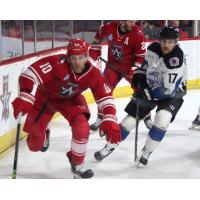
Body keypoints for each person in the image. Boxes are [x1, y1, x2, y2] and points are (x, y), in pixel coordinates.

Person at [12, 38, 121, 178]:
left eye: (81, 57)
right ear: (68, 57)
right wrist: (25, 94)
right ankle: (45, 131)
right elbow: (29, 73)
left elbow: (105, 97)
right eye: (73, 58)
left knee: (82, 127)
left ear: (87, 56)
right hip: (45, 99)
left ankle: (77, 164)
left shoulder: (94, 73)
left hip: (71, 100)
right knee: (34, 146)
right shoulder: (56, 63)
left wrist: (110, 116)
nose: (77, 62)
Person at [94, 26, 187, 166]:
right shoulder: (154, 48)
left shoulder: (176, 60)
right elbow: (143, 67)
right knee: (129, 121)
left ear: (176, 42)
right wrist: (138, 77)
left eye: (170, 42)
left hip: (172, 93)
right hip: (151, 87)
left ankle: (147, 151)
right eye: (164, 41)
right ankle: (109, 146)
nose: (166, 45)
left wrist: (146, 92)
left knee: (162, 119)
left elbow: (168, 90)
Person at [89, 20, 153, 132]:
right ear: (122, 21)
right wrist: (94, 53)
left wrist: (135, 71)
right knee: (103, 91)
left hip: (130, 68)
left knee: (140, 90)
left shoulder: (138, 34)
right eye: (130, 21)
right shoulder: (108, 27)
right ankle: (101, 117)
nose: (133, 24)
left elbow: (141, 57)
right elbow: (97, 39)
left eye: (134, 21)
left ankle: (147, 116)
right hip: (112, 67)